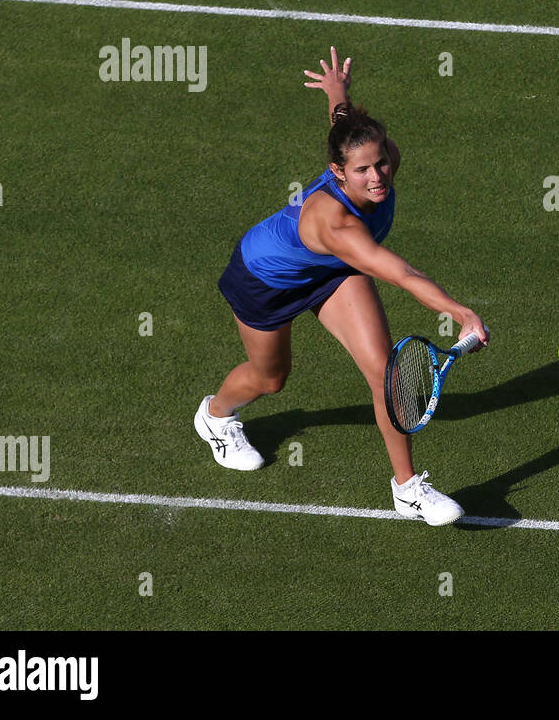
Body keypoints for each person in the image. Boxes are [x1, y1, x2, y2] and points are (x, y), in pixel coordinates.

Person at [196, 46, 489, 526]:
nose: (377, 177)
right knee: (271, 378)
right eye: (362, 170)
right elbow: (402, 274)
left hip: (332, 272)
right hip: (265, 280)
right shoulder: (338, 226)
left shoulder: (377, 157)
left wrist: (337, 93)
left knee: (385, 375)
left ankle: (407, 489)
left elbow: (346, 128)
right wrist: (462, 313)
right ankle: (216, 415)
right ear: (338, 173)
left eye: (380, 164)